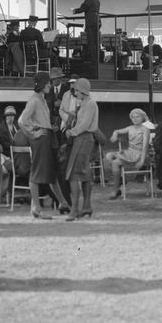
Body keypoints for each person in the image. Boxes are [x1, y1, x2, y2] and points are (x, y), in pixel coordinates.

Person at [18, 74, 69, 219]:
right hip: (40, 139)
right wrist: (33, 133)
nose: (49, 86)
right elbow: (22, 120)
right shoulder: (34, 100)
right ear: (40, 84)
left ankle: (63, 203)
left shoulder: (42, 99)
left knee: (51, 172)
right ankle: (37, 208)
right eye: (47, 83)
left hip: (48, 138)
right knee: (37, 173)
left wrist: (49, 127)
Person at [62, 77, 98, 219]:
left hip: (83, 138)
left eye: (76, 90)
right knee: (84, 173)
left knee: (74, 174)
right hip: (82, 138)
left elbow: (84, 124)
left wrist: (71, 132)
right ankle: (87, 207)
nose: (75, 93)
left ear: (83, 90)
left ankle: (75, 210)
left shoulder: (90, 104)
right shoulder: (84, 103)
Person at [105, 109, 152, 199]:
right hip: (129, 152)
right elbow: (117, 131)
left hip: (138, 154)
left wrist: (142, 161)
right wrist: (114, 135)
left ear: (142, 118)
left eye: (137, 117)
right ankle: (121, 179)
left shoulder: (145, 129)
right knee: (108, 156)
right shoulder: (130, 128)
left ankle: (116, 190)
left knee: (115, 163)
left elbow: (145, 146)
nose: (135, 119)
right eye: (133, 117)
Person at [72, 0, 101, 79]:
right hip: (97, 23)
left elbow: (82, 9)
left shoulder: (88, 0)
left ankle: (93, 60)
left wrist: (74, 11)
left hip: (90, 23)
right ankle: (96, 59)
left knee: (91, 42)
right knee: (96, 42)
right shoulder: (97, 0)